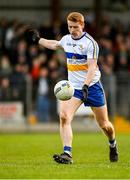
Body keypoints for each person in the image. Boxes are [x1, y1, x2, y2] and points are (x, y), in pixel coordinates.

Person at [28, 12, 118, 164]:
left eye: (75, 27)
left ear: (82, 25)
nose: (72, 30)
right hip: (74, 89)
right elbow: (55, 44)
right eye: (70, 27)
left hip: (92, 87)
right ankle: (67, 154)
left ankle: (113, 144)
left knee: (104, 125)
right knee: (64, 116)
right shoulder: (67, 39)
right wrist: (38, 40)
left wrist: (86, 85)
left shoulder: (91, 43)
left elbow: (92, 67)